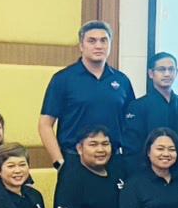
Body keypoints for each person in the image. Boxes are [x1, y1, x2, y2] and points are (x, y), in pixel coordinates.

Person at [39, 21, 136, 170]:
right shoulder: (63, 79)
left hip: (113, 161)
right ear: (81, 46)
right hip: (74, 160)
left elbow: (131, 124)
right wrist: (58, 162)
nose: (98, 46)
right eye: (92, 41)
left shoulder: (122, 80)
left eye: (103, 40)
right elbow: (45, 124)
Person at [123, 52, 178, 166]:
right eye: (161, 69)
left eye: (171, 69)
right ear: (151, 73)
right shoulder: (137, 106)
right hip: (146, 170)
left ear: (176, 72)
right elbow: (132, 146)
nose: (167, 74)